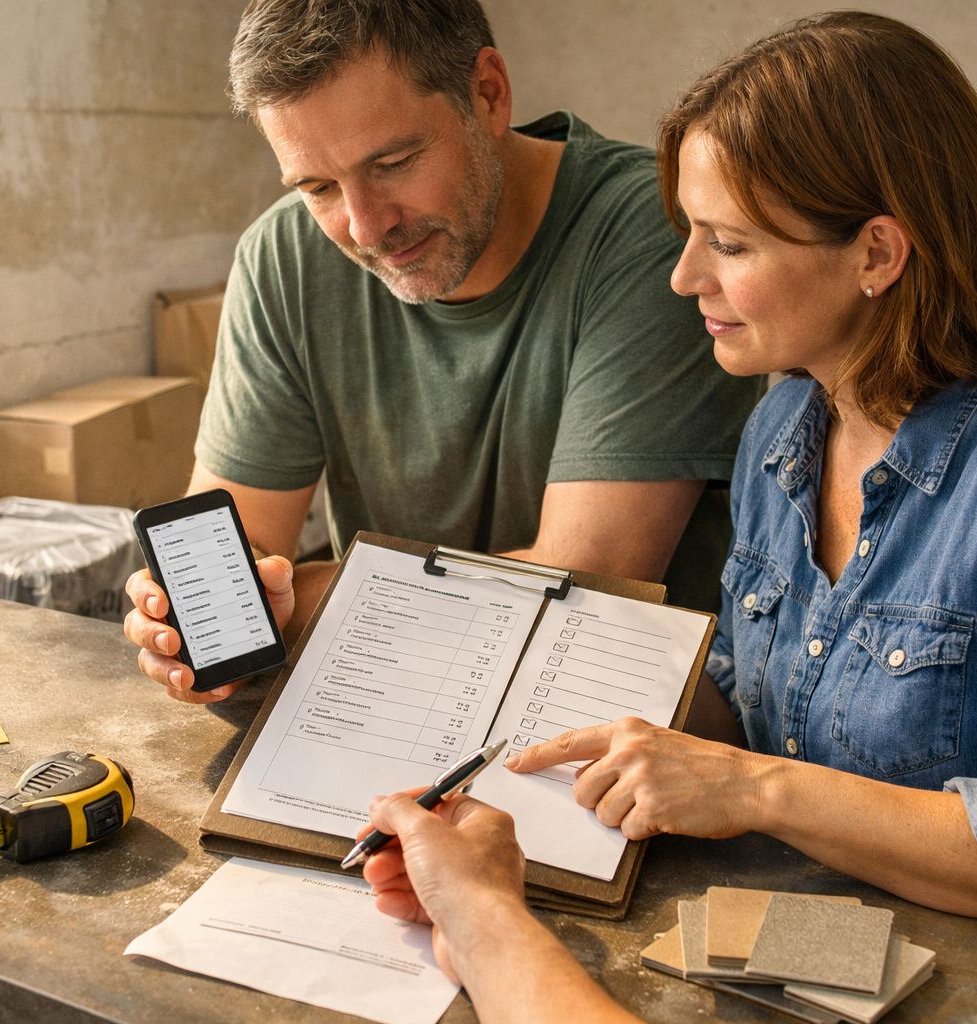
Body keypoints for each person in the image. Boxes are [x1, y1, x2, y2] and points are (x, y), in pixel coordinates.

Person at [360, 10, 977, 1014]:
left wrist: (749, 786)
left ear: (876, 253)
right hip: (800, 956)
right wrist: (594, 721)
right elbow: (756, 698)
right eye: (690, 231)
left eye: (729, 243)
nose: (684, 275)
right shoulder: (787, 419)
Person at [125, 0, 759, 703]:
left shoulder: (650, 230)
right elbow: (231, 567)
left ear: (488, 93)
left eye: (392, 163)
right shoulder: (283, 257)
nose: (366, 227)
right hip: (388, 696)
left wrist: (287, 603)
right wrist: (185, 624)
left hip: (612, 726)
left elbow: (583, 584)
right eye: (318, 187)